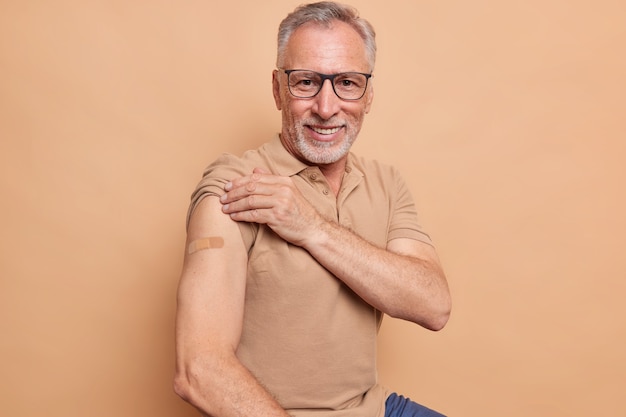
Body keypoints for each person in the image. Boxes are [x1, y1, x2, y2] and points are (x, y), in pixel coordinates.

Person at [173, 2, 451, 416]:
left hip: (376, 409)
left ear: (368, 93)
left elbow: (433, 305)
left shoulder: (385, 183)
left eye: (347, 83)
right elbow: (199, 369)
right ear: (277, 89)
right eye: (306, 82)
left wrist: (312, 227)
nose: (326, 107)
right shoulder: (235, 187)